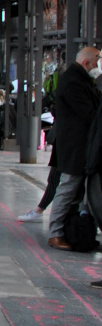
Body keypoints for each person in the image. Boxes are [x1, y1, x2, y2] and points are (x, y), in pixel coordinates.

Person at [45, 46, 101, 251]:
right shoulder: (73, 82)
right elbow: (89, 114)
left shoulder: (82, 80)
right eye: (97, 60)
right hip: (74, 147)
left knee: (78, 191)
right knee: (68, 188)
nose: (98, 65)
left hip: (81, 146)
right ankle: (55, 233)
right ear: (87, 62)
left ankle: (76, 232)